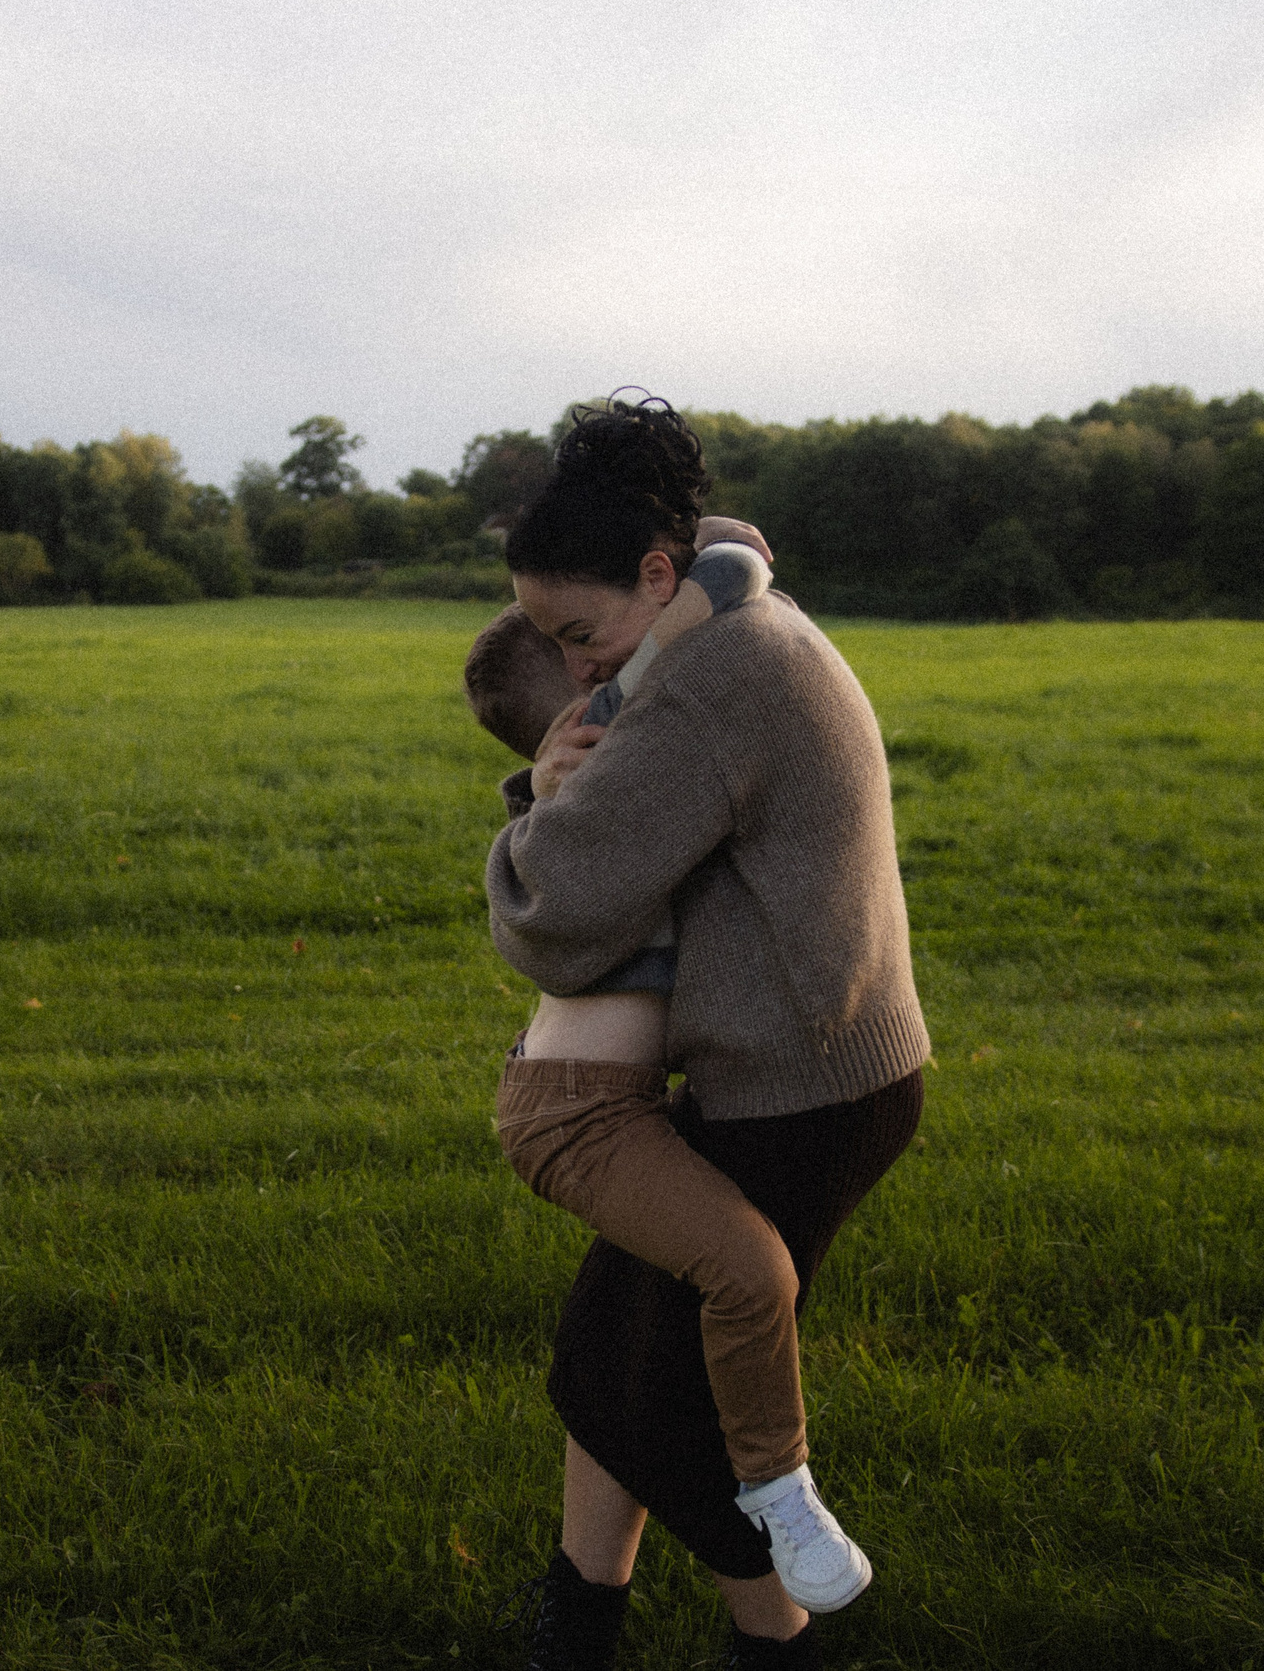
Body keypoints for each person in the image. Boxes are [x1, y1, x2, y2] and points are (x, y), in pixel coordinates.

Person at [483, 397, 930, 1671]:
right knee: (604, 1355)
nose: (576, 667)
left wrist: (531, 801)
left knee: (658, 1401)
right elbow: (726, 547)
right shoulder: (733, 618)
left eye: (582, 632)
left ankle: (775, 1643)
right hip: (823, 1063)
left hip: (799, 1093)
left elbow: (555, 915)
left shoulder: (703, 686)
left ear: (656, 575)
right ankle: (580, 1617)